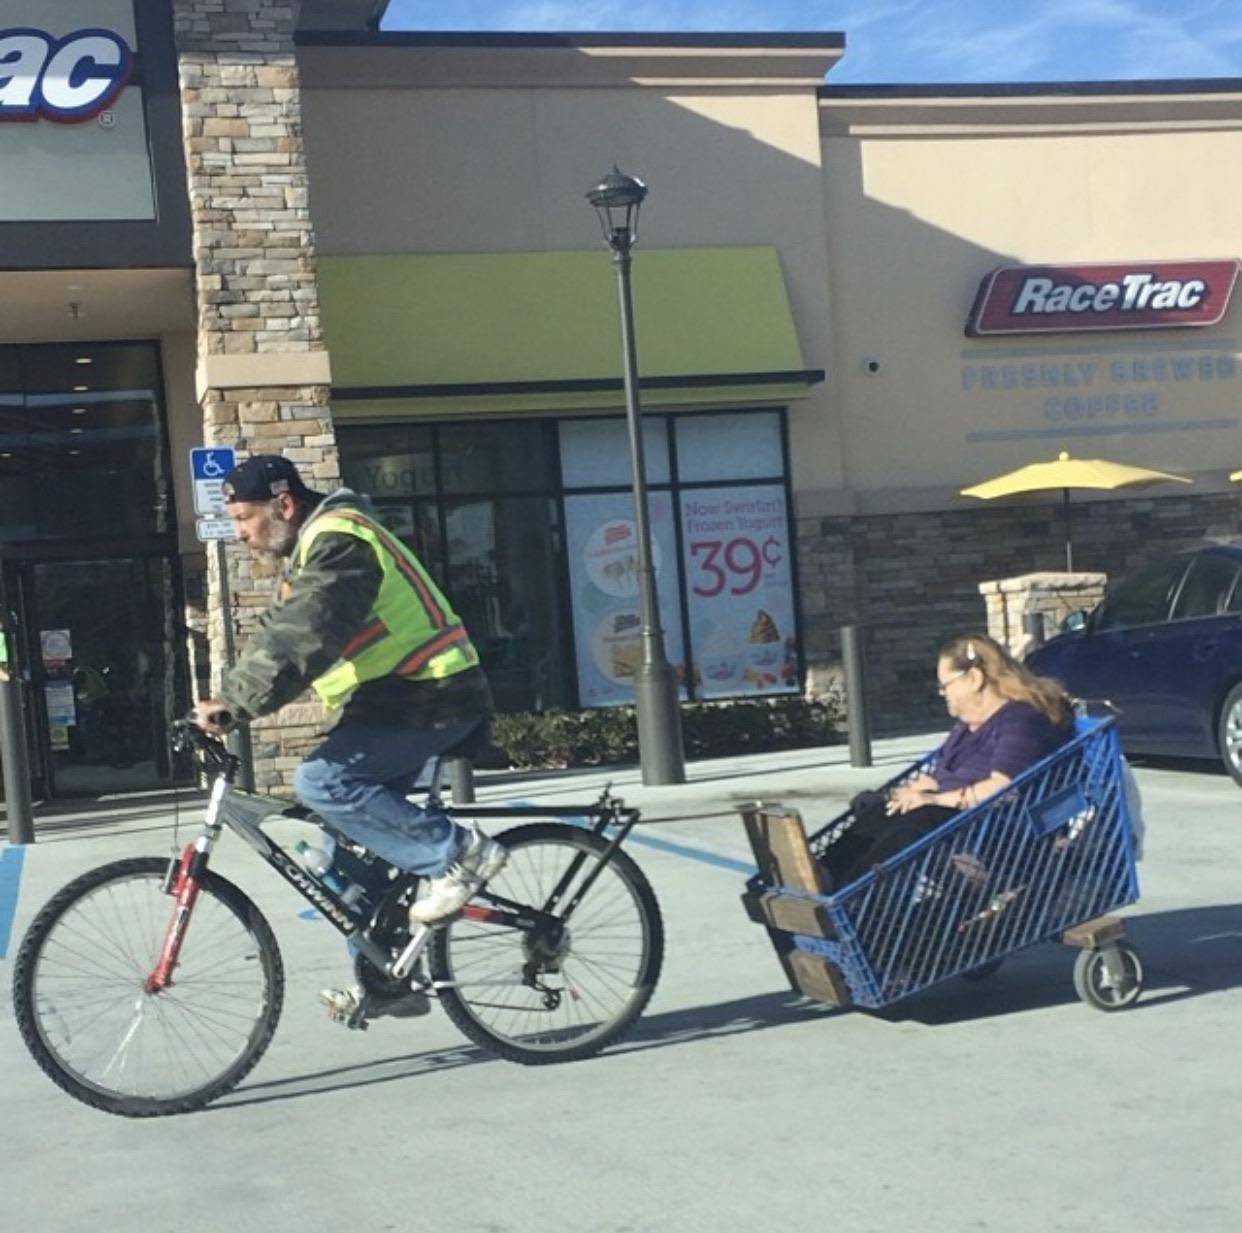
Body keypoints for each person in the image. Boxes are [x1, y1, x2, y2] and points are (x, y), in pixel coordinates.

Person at [193, 454, 506, 1021]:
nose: (239, 533)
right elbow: (278, 637)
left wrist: (236, 705)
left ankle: (458, 854)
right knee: (340, 856)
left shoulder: (342, 543)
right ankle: (392, 980)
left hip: (434, 693)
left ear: (283, 505)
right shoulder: (309, 556)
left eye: (243, 517)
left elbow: (306, 633)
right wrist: (218, 703)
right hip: (393, 703)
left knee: (321, 781)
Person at [820, 633, 1073, 890]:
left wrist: (934, 799)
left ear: (974, 679)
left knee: (918, 823)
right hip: (964, 825)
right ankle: (822, 876)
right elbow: (943, 774)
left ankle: (855, 896)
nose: (942, 693)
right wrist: (909, 792)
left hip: (1001, 834)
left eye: (946, 685)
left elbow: (1004, 788)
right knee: (881, 810)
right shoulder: (967, 726)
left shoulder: (1020, 720)